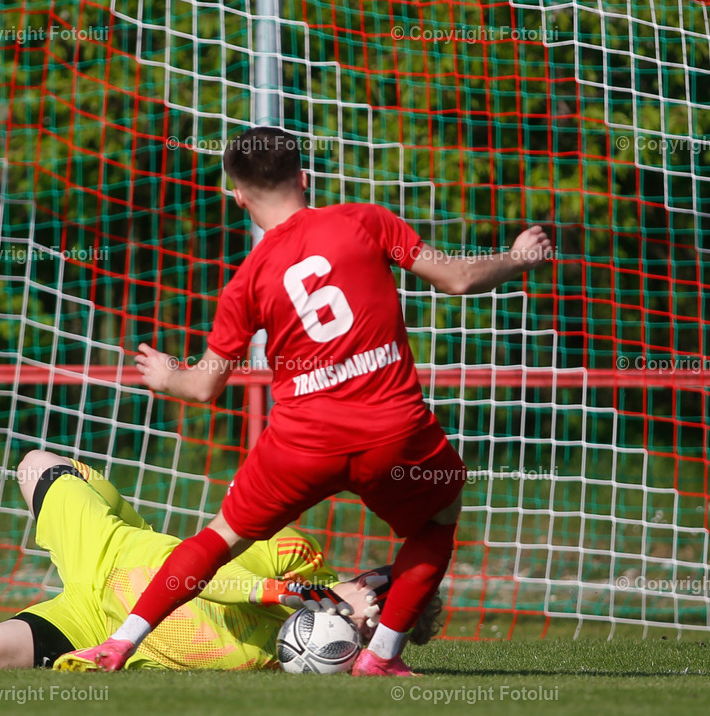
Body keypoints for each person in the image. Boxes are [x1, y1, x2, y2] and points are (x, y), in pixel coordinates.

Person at [56, 126, 552, 676]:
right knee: (436, 520)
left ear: (237, 196)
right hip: (392, 433)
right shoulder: (365, 221)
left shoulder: (246, 281)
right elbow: (457, 280)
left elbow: (202, 387)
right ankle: (382, 657)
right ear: (305, 177)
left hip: (299, 446)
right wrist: (517, 258)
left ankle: (121, 642)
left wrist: (165, 374)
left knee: (218, 539)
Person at [0, 449, 441, 670]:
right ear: (363, 577)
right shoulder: (298, 562)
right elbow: (203, 579)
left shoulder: (305, 659)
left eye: (384, 625)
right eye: (379, 597)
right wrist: (293, 596)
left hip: (94, 621)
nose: (373, 615)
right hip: (114, 552)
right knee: (33, 466)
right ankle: (109, 499)